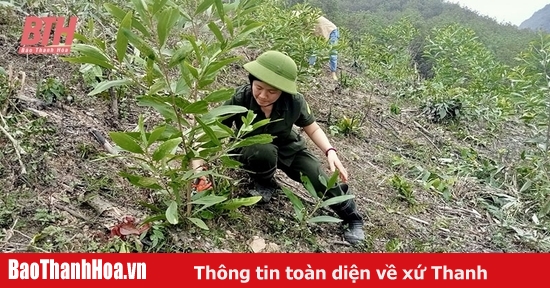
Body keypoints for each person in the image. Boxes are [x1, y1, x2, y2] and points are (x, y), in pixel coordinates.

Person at [193, 50, 365, 244]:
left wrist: (330, 151)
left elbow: (313, 128)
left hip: (287, 145)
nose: (263, 96)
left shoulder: (295, 101)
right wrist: (199, 171)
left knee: (318, 178)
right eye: (258, 87)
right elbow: (210, 134)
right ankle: (264, 181)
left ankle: (353, 218)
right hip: (252, 146)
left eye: (272, 91)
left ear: (283, 91)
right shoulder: (241, 97)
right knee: (262, 151)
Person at [309, 15, 339, 81]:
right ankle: (310, 68)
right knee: (313, 50)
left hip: (331, 31)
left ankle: (333, 73)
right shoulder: (309, 20)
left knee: (333, 52)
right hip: (319, 33)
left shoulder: (311, 18)